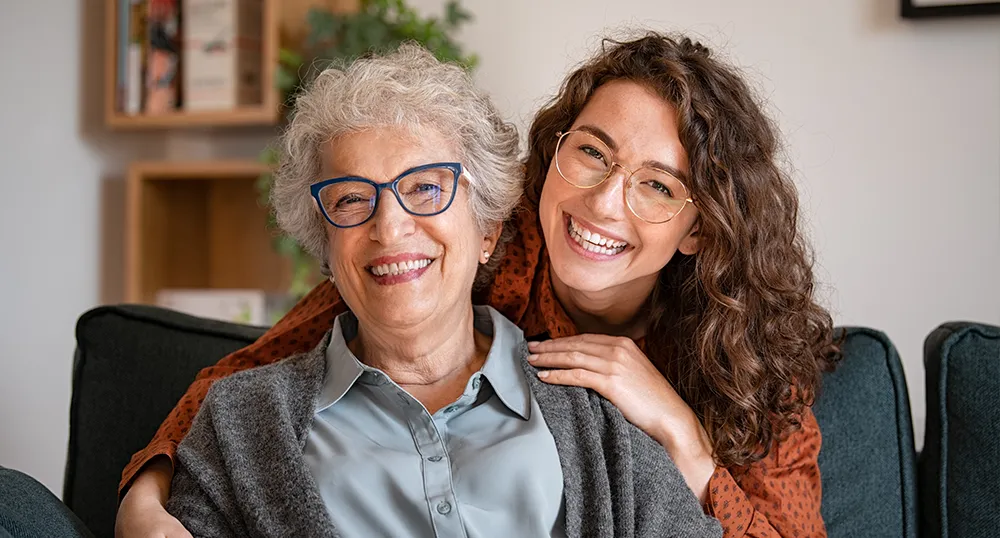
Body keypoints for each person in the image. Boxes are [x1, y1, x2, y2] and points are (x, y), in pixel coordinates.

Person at [117, 31, 838, 538]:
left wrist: (679, 433)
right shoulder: (485, 243)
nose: (604, 202)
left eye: (656, 185)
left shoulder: (751, 361)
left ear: (699, 229)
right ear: (553, 152)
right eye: (591, 153)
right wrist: (145, 498)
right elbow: (251, 377)